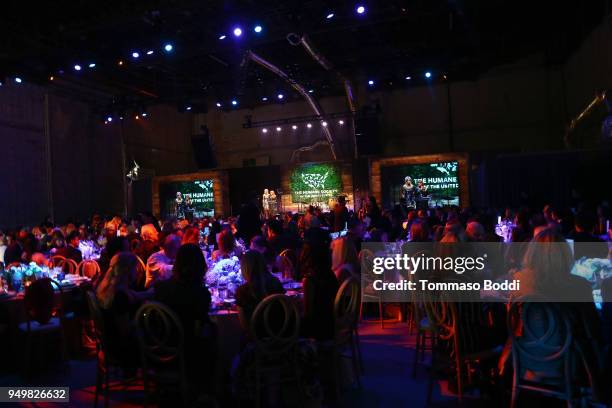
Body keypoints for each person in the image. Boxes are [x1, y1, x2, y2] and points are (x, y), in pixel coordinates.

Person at [154, 243, 215, 388]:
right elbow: (200, 327)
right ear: (201, 266)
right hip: (187, 352)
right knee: (215, 334)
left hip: (159, 348)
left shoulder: (161, 288)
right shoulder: (200, 294)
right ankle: (209, 388)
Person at [95, 252, 142, 374]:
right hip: (120, 349)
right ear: (128, 271)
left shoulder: (105, 288)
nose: (137, 271)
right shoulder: (120, 296)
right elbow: (125, 331)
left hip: (108, 344)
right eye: (135, 268)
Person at [235, 250, 285, 333]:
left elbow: (244, 325)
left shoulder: (243, 291)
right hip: (280, 332)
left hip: (258, 337)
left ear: (244, 268)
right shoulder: (276, 282)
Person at [300, 241, 339, 341]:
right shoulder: (331, 275)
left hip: (318, 328)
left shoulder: (309, 280)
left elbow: (307, 313)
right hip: (332, 323)